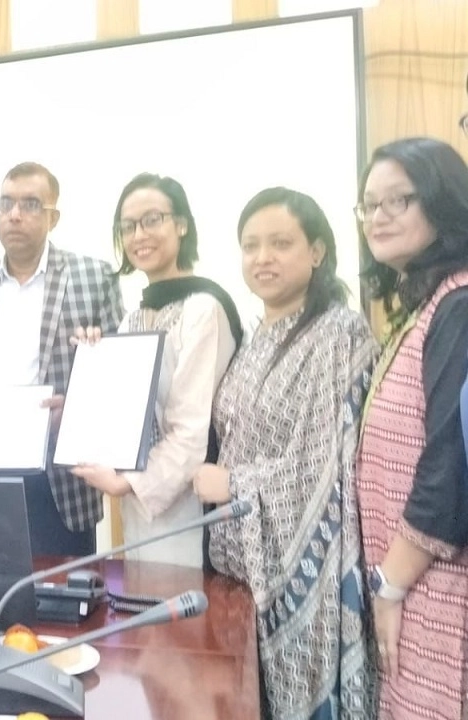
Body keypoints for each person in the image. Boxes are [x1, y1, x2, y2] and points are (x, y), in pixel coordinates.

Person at [195, 187, 378, 719]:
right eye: (250, 245)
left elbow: (328, 468)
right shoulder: (258, 336)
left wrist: (234, 484)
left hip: (305, 574)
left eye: (280, 243)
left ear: (317, 251)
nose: (262, 258)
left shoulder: (339, 333)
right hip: (240, 571)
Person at [0, 162, 124, 555]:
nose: (15, 214)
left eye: (31, 204)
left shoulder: (94, 277)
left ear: (54, 217)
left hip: (61, 480)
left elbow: (117, 376)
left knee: (67, 590)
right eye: (6, 204)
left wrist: (76, 410)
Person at [70, 174, 241, 568]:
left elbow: (191, 433)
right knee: (139, 601)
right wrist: (81, 400)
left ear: (181, 225)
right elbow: (125, 413)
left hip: (188, 509)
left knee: (182, 603)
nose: (139, 235)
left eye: (152, 220)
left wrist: (127, 482)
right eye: (128, 226)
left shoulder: (203, 309)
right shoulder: (134, 317)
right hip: (138, 509)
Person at [354, 137, 468, 720]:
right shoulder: (425, 305)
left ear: (443, 203)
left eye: (398, 200)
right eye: (369, 204)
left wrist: (391, 584)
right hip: (411, 577)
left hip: (439, 582)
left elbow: (452, 461)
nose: (378, 216)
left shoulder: (459, 306)